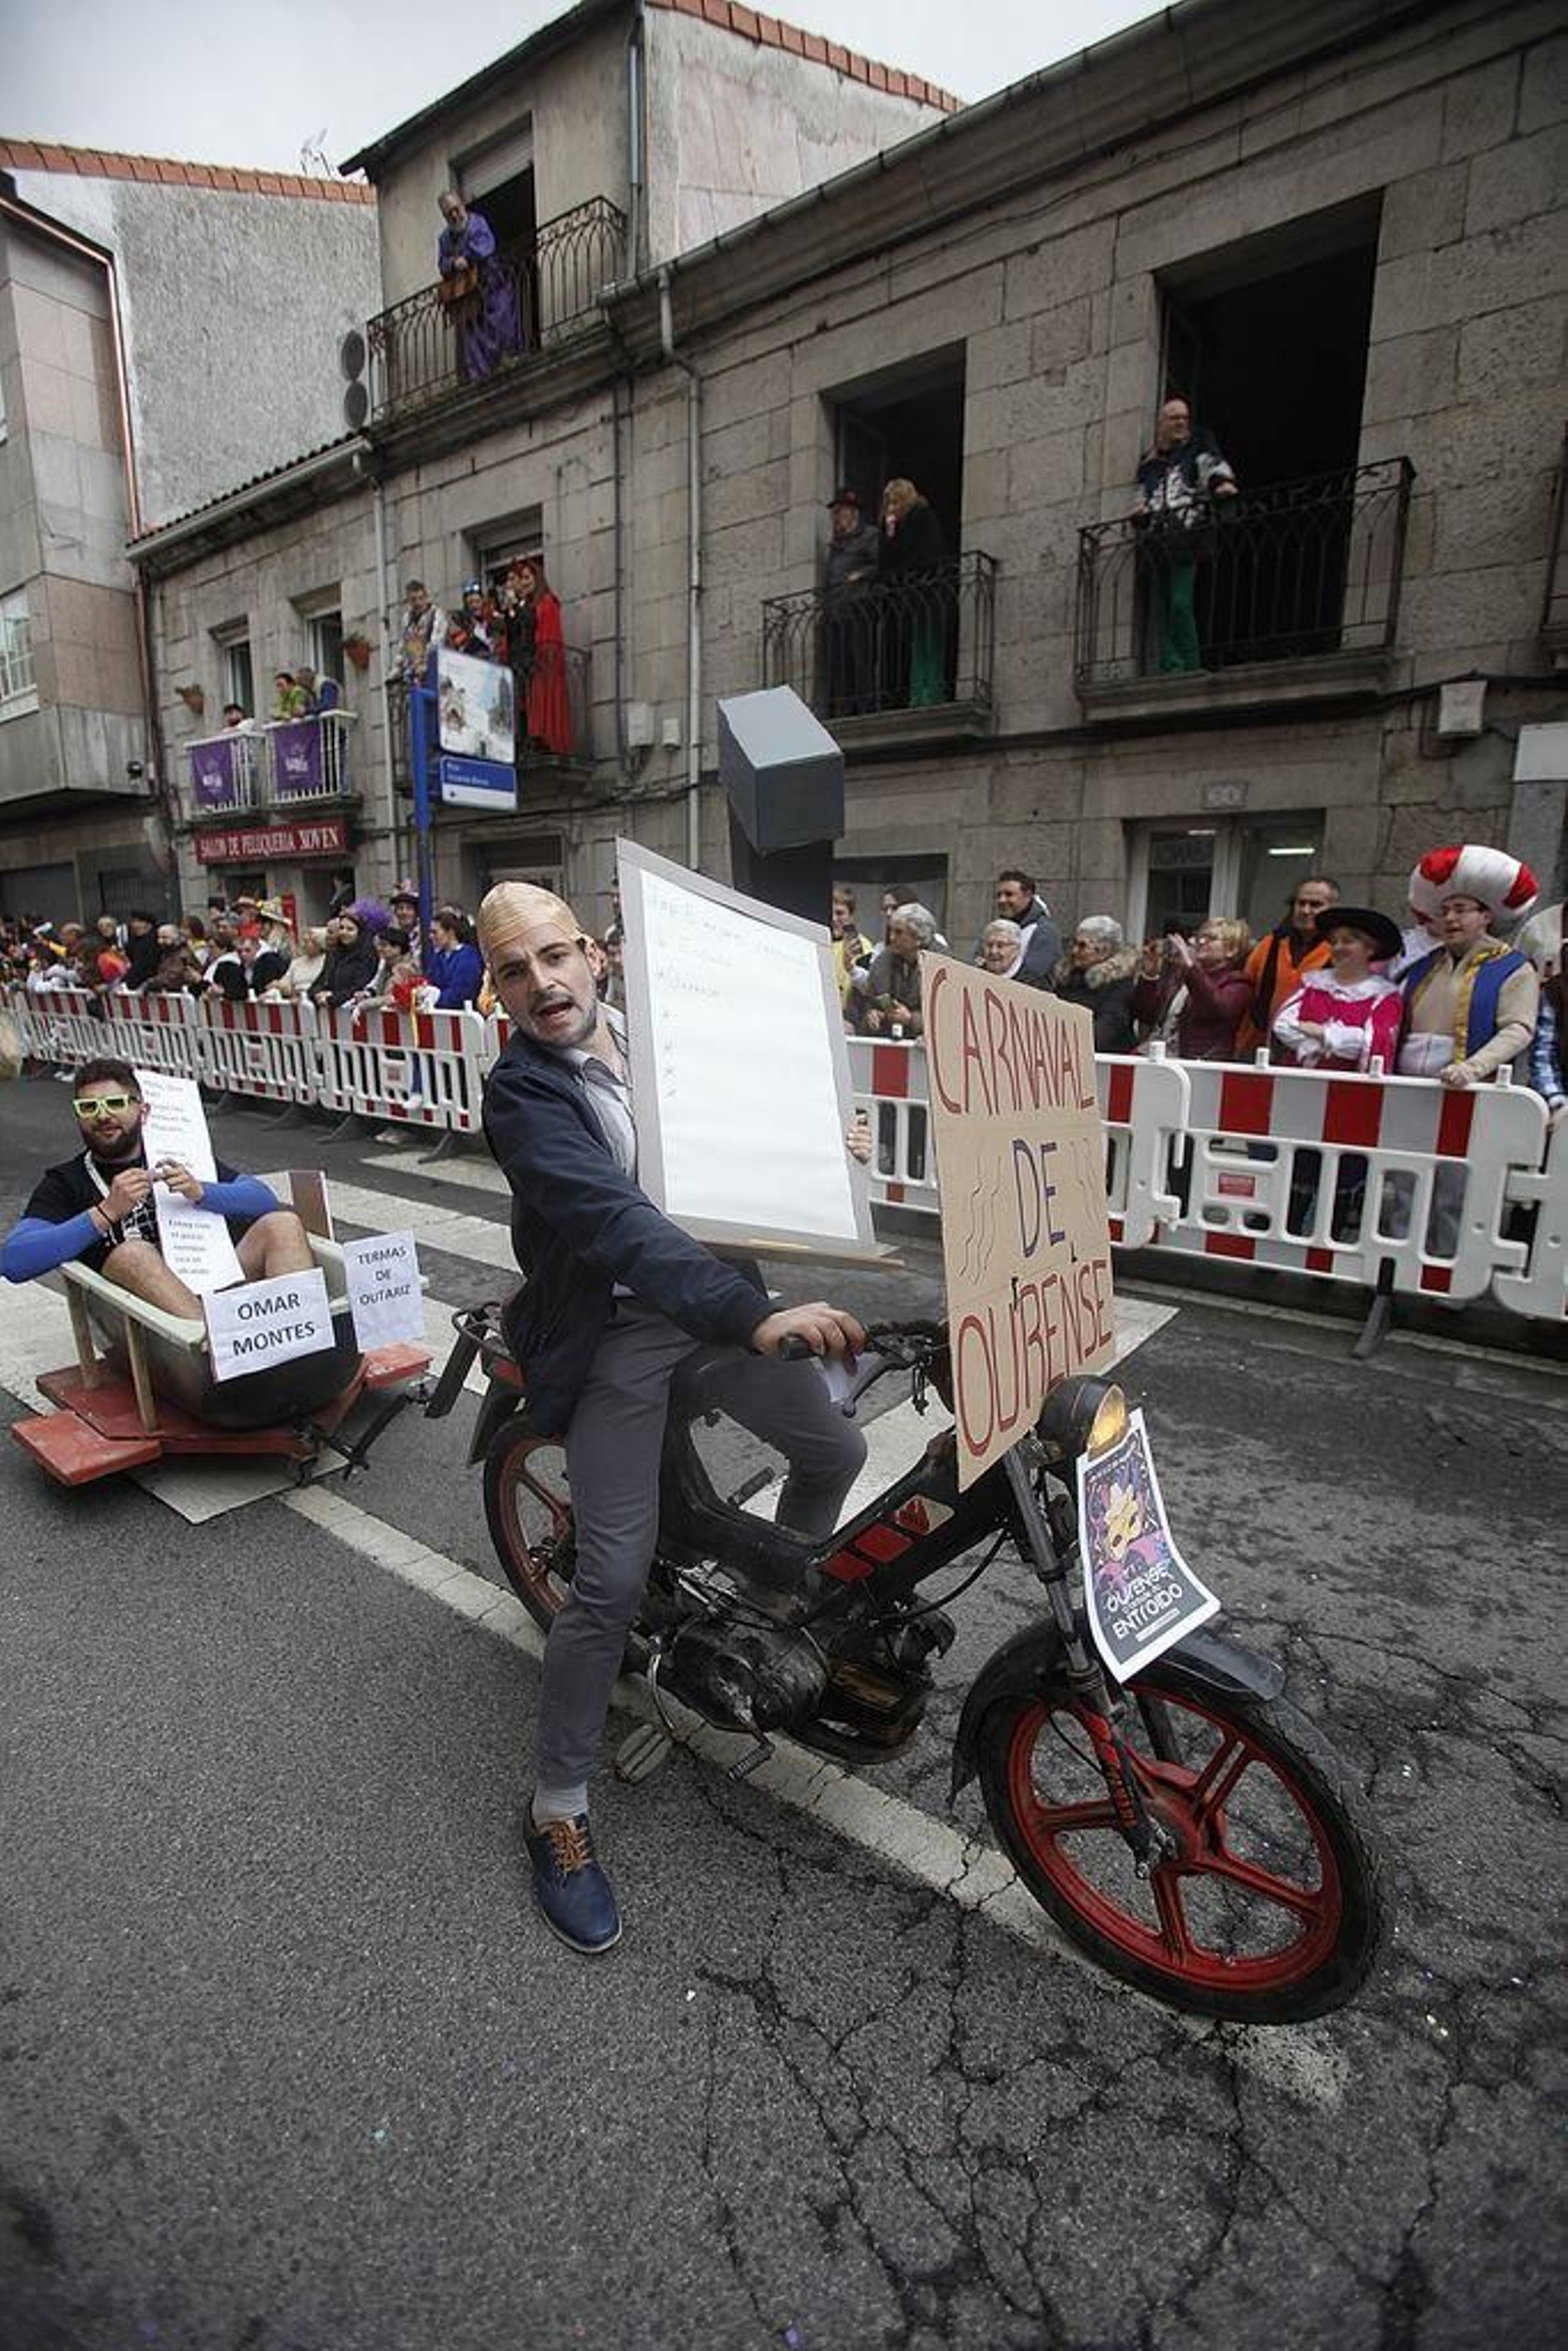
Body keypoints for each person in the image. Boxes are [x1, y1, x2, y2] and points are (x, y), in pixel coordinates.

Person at [477, 882, 868, 1954]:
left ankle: (766, 1601)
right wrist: (756, 1318)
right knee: (603, 1578)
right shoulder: (519, 1095)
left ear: (596, 957)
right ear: (496, 990)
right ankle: (557, 1802)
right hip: (614, 1329)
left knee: (838, 1442)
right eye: (513, 969)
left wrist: (827, 1147)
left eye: (554, 955)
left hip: (719, 1303)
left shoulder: (669, 1041)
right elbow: (612, 1222)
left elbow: (750, 1135)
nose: (541, 982)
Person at [1, 1058, 314, 1319]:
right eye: (88, 1107)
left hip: (212, 1281)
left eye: (114, 1103)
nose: (103, 1115)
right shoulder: (66, 1181)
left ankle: (302, 1337)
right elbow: (13, 1261)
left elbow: (263, 1199)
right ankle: (217, 1358)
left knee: (282, 1224)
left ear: (143, 1111)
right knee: (132, 1255)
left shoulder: (171, 1157)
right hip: (143, 1319)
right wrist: (105, 1213)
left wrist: (201, 1191)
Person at [1393, 846, 1540, 1256]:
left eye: (1462, 909)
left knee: (1457, 1189)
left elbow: (1519, 1028)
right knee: (1405, 1181)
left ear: (1487, 915)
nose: (1451, 918)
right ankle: (1400, 1270)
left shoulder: (1513, 967)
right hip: (1411, 1092)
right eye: (1446, 910)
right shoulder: (1423, 964)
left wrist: (1474, 1068)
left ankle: (1446, 1277)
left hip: (1467, 1095)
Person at [1133, 395, 1239, 673]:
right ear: (1161, 424)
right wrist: (1140, 511)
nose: (1181, 422)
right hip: (1157, 540)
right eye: (1174, 417)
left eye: (1184, 417)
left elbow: (1212, 465)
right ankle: (1172, 666)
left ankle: (1190, 665)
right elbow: (1143, 494)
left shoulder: (1198, 444)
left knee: (1180, 603)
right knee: (1163, 609)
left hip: (1186, 535)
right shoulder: (1149, 463)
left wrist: (1222, 484)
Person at [1272, 907, 1405, 1073]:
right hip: (1298, 1080)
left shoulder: (1384, 995)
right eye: (1334, 942)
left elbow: (1377, 1041)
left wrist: (1323, 1033)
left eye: (1347, 941)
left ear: (1370, 949)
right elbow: (1282, 1024)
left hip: (1347, 1089)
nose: (1338, 947)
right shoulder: (1312, 983)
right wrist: (1332, 1041)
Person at [1236, 876, 1341, 1056]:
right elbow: (1243, 988)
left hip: (1311, 1053)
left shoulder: (1340, 952)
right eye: (1301, 903)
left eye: (1315, 905)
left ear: (1332, 909)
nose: (1306, 910)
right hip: (1257, 1049)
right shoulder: (1270, 944)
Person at [1133, 916, 1252, 1059]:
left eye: (1211, 938)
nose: (1201, 942)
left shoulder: (1239, 983)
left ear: (1231, 951)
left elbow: (1215, 1007)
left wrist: (1190, 967)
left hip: (1201, 1063)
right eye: (1200, 937)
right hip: (1162, 1059)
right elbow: (1147, 1014)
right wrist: (1150, 976)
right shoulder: (1182, 975)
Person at [437, 190, 524, 384]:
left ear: (462, 205)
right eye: (448, 213)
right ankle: (480, 375)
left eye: (455, 209)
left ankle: (508, 358)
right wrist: (452, 263)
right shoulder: (444, 239)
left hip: (492, 286)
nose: (454, 215)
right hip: (469, 295)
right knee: (473, 336)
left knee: (501, 321)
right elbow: (442, 263)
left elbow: (487, 245)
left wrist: (467, 258)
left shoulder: (477, 223)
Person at [879, 478, 948, 708]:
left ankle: (931, 692)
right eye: (889, 503)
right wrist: (890, 533)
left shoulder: (922, 516)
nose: (892, 507)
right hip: (912, 593)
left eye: (896, 502)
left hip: (930, 588)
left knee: (930, 641)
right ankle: (917, 693)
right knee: (917, 643)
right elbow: (889, 561)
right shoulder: (895, 527)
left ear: (906, 500)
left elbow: (926, 551)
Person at [823, 486, 882, 717]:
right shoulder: (835, 545)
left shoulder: (869, 536)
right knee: (840, 664)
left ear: (853, 513)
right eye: (834, 513)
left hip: (860, 609)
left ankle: (865, 706)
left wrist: (861, 574)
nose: (836, 517)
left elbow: (881, 564)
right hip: (837, 611)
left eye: (840, 512)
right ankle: (843, 708)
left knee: (861, 661)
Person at [509, 560, 571, 756]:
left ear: (537, 579)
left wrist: (516, 608)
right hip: (524, 666)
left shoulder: (547, 601)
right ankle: (525, 741)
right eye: (521, 578)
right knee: (524, 708)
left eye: (527, 577)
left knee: (538, 707)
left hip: (541, 665)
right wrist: (511, 610)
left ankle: (540, 741)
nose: (524, 582)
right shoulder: (525, 603)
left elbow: (534, 624)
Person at [1050, 917, 1140, 1052]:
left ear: (1104, 950)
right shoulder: (1068, 977)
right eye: (1073, 943)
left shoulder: (1120, 985)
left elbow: (1105, 1030)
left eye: (1082, 945)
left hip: (1102, 1062)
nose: (1074, 951)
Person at [855, 903, 939, 1036]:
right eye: (891, 930)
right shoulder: (881, 963)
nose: (891, 937)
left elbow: (948, 1015)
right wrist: (873, 1015)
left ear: (918, 937)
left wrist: (912, 1019)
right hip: (889, 1041)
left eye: (899, 932)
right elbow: (869, 1003)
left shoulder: (940, 965)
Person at [991, 869, 1061, 988]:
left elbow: (1032, 975)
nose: (1001, 900)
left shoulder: (1045, 931)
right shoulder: (994, 929)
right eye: (998, 895)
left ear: (1028, 895)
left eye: (1009, 894)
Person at [310, 912, 380, 1009]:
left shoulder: (368, 954)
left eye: (350, 929)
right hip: (331, 1010)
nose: (344, 932)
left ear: (360, 932)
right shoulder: (334, 953)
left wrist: (332, 998)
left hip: (354, 1011)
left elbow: (360, 985)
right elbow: (322, 980)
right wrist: (317, 994)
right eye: (341, 928)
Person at [206, 928, 291, 1003]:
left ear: (257, 949)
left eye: (247, 951)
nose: (243, 954)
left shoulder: (269, 962)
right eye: (240, 951)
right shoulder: (242, 967)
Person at [424, 906, 483, 1007]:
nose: (431, 936)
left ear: (450, 932)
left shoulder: (468, 957)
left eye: (435, 932)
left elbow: (462, 993)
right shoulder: (437, 957)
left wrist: (437, 997)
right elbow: (429, 981)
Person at [830, 885, 873, 1009]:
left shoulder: (863, 945)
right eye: (830, 912)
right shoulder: (817, 940)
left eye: (840, 913)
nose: (834, 919)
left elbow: (865, 991)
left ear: (851, 915)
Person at [398, 580, 447, 689]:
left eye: (421, 598)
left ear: (426, 597)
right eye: (414, 600)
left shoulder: (436, 614)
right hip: (413, 674)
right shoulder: (407, 619)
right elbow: (403, 645)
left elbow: (436, 643)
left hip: (433, 671)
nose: (418, 603)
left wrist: (423, 663)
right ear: (409, 601)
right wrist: (398, 667)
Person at [122, 911, 162, 992]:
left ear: (149, 925)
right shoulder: (132, 941)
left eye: (139, 922)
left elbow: (143, 966)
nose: (135, 925)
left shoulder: (153, 942)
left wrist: (127, 981)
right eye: (133, 922)